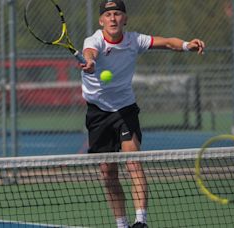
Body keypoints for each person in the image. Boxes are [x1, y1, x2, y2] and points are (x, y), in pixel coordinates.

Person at [80, 0, 205, 227]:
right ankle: (121, 224)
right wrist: (89, 61)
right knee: (108, 174)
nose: (113, 18)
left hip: (125, 110)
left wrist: (187, 45)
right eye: (108, 15)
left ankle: (140, 222)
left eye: (118, 14)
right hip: (98, 112)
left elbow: (167, 43)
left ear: (125, 19)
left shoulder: (134, 40)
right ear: (101, 21)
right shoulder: (94, 41)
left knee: (134, 162)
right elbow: (90, 53)